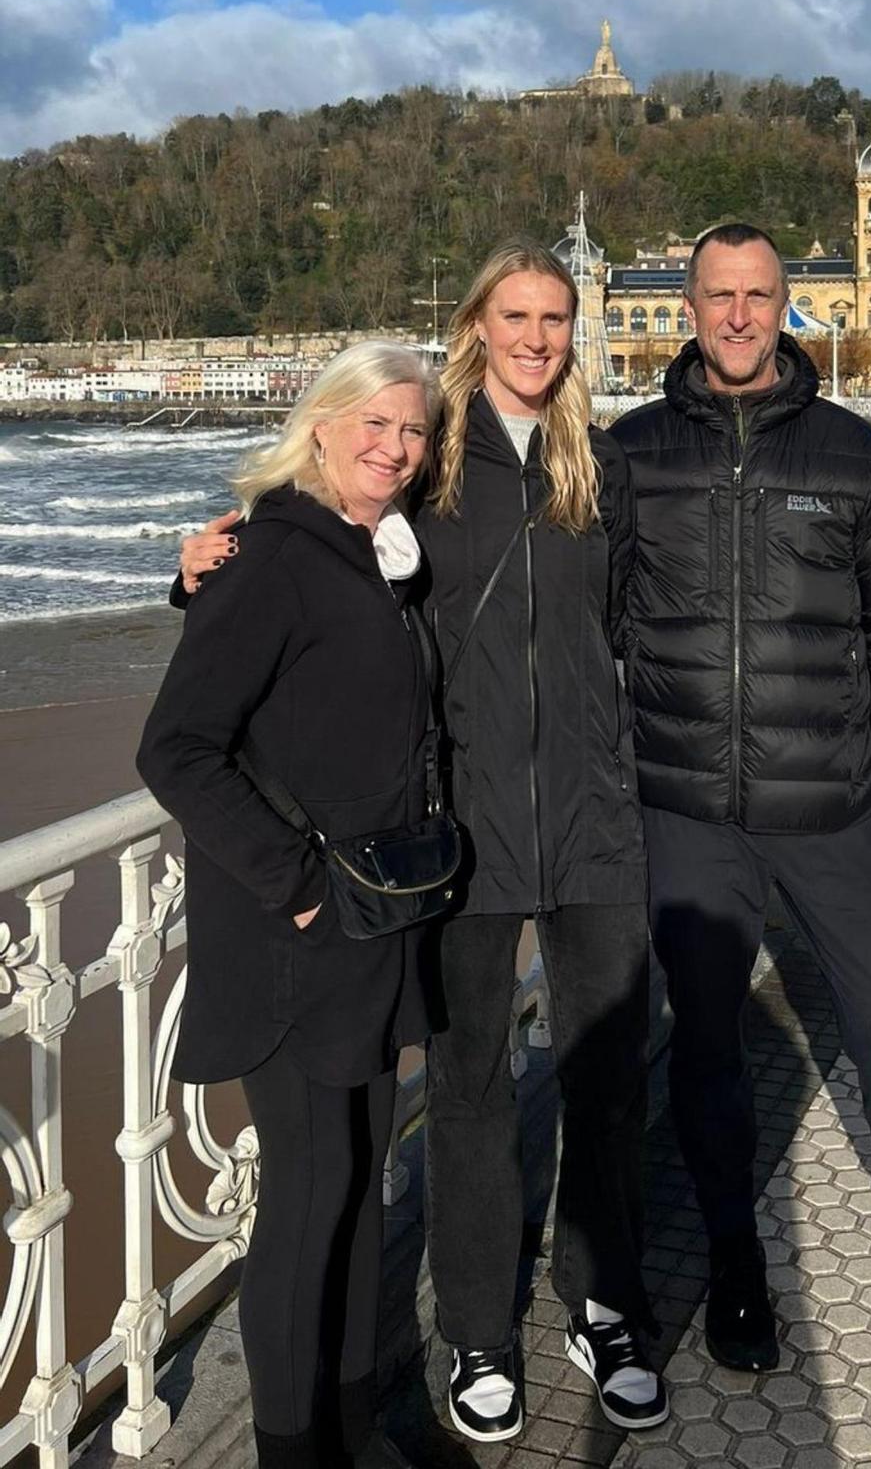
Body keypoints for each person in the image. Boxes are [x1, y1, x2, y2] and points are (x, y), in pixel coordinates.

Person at [178, 244, 666, 1444]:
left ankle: (604, 1303)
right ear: (478, 325)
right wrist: (193, 577)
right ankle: (480, 1331)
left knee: (607, 1072)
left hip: (594, 822)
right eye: (517, 314)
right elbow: (317, 545)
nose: (538, 337)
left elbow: (627, 622)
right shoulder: (432, 454)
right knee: (468, 1085)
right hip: (462, 832)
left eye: (556, 317)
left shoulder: (600, 465)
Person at [609, 223, 871, 1419]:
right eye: (719, 295)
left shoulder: (854, 457)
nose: (740, 315)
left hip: (839, 810)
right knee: (706, 1051)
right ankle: (735, 1257)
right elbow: (552, 602)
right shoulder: (631, 455)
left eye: (759, 295)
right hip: (690, 811)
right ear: (689, 307)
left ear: (785, 305)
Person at [138, 343, 442, 1469]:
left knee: (360, 1183)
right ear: (321, 425)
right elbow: (176, 747)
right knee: (309, 1199)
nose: (394, 447)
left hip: (374, 923)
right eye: (374, 422)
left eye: (412, 430)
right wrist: (301, 887)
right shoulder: (273, 555)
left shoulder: (380, 555)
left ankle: (353, 1430)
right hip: (296, 936)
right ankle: (291, 1450)